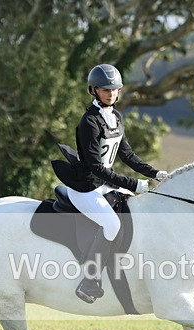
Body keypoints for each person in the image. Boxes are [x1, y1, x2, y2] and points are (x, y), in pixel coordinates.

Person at [66, 63, 168, 304]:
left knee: (140, 207)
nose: (111, 94)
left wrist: (156, 173)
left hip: (104, 183)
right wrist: (133, 183)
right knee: (111, 224)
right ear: (93, 90)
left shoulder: (116, 117)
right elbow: (96, 168)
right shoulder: (89, 122)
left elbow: (128, 156)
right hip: (86, 186)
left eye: (114, 90)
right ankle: (89, 281)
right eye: (105, 90)